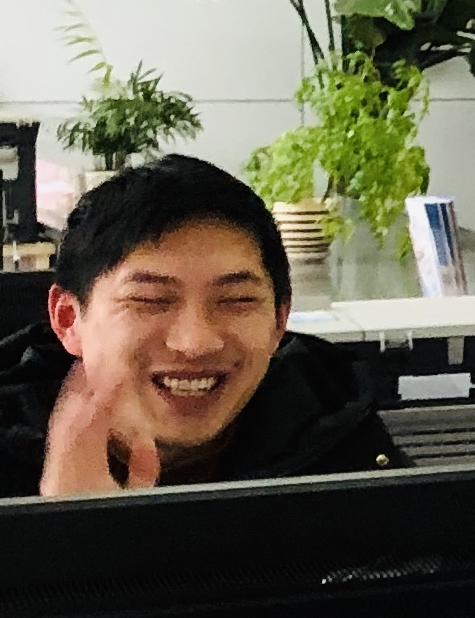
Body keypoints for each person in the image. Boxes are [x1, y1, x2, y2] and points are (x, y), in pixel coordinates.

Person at [0, 156, 404, 497]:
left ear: (279, 321)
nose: (195, 343)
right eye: (150, 300)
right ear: (69, 320)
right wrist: (58, 538)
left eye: (237, 300)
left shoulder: (344, 451)